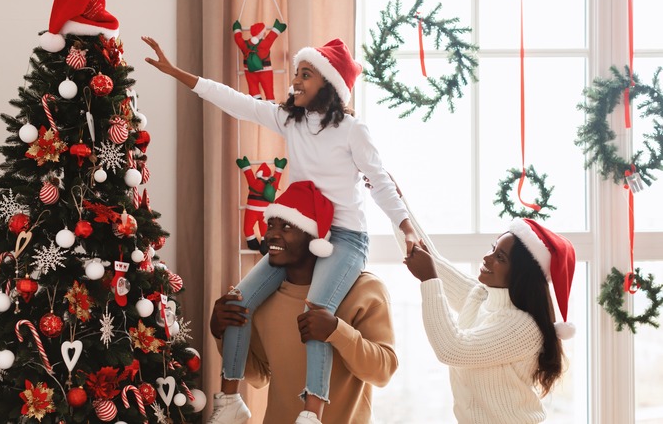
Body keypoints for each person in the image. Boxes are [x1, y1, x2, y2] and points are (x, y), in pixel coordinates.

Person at [142, 36, 418, 424]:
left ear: (330, 83)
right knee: (238, 301)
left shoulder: (354, 131)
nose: (296, 82)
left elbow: (381, 183)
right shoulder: (291, 120)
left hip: (345, 238)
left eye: (305, 74)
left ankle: (312, 412)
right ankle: (230, 400)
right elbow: (237, 102)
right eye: (296, 74)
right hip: (306, 231)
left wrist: (406, 229)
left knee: (316, 313)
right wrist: (178, 74)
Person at [209, 180, 398, 424]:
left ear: (314, 237)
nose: (271, 234)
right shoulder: (262, 297)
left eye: (286, 226)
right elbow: (259, 376)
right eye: (270, 225)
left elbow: (383, 372)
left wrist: (336, 331)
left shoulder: (365, 290)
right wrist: (221, 332)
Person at [404, 217, 576, 423]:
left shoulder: (523, 328)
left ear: (520, 274)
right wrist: (395, 205)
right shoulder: (481, 296)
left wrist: (429, 280)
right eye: (492, 248)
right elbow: (433, 262)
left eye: (500, 257)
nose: (487, 258)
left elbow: (451, 349)